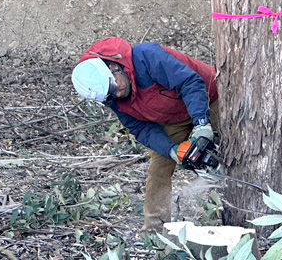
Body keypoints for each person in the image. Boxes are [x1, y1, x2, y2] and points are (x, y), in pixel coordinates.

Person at [71, 37, 219, 234]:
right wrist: (171, 150)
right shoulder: (113, 98)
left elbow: (190, 82)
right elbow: (140, 128)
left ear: (114, 67)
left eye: (115, 86)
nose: (117, 94)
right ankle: (154, 230)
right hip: (171, 117)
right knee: (159, 168)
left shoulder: (147, 58)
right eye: (110, 94)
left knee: (237, 147)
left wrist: (202, 125)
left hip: (209, 96)